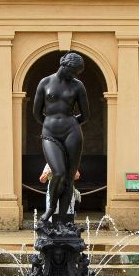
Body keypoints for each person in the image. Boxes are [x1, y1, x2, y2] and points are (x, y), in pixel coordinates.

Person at [31, 53, 87, 220]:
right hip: (50, 133)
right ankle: (51, 209)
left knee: (69, 178)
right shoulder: (45, 82)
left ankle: (63, 219)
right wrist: (51, 124)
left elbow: (85, 115)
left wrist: (69, 123)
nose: (75, 75)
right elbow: (36, 112)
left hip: (72, 132)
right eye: (74, 71)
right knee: (59, 173)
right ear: (65, 65)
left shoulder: (78, 86)